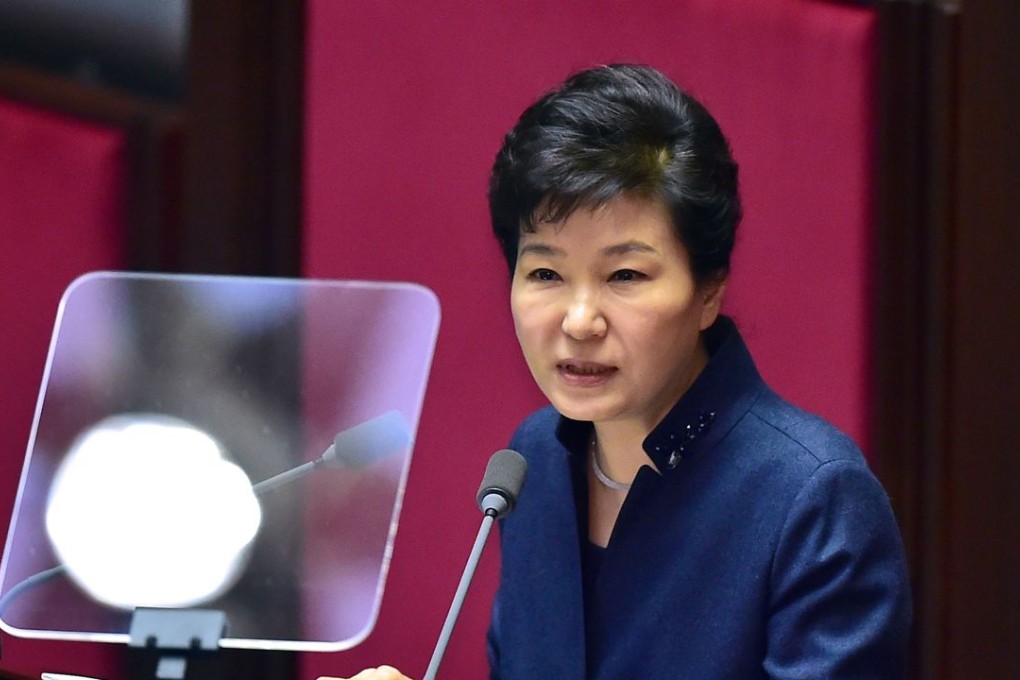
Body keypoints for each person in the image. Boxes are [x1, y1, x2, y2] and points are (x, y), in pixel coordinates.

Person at [325, 63, 911, 680]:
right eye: (545, 274)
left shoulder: (813, 499)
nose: (579, 321)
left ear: (709, 289)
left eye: (625, 276)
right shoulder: (533, 464)